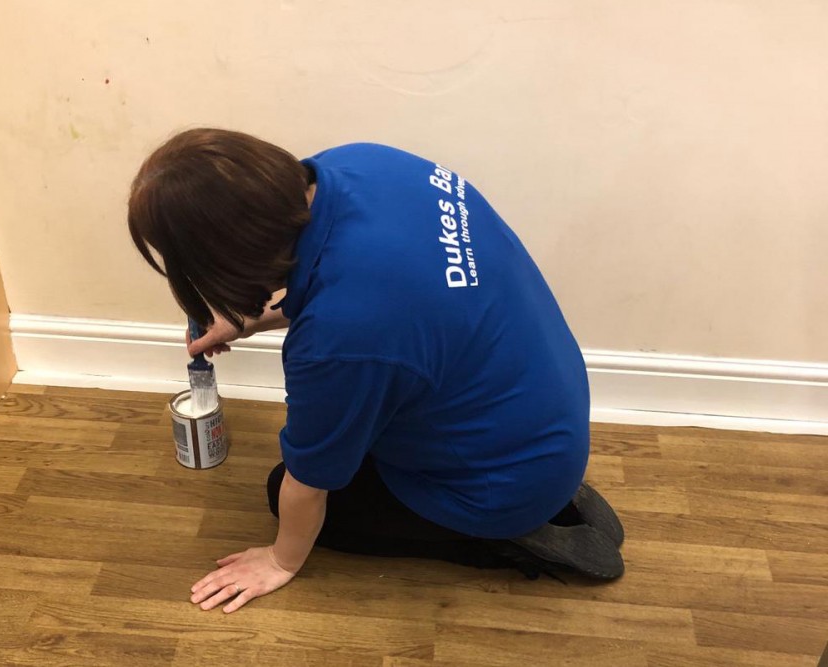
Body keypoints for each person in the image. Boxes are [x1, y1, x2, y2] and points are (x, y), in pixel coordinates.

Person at [127, 128, 625, 614]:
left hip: (502, 484)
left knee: (287, 495)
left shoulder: (340, 340)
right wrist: (250, 321)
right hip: (542, 408)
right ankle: (545, 491)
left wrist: (281, 560)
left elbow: (310, 480)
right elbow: (371, 283)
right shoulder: (363, 163)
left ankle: (503, 536)